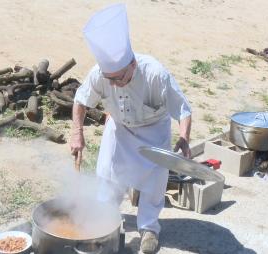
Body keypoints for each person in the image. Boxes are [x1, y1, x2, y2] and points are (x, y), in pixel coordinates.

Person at [70, 3, 192, 254]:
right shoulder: (100, 74)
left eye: (119, 78)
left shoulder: (156, 74)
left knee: (154, 182)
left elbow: (183, 109)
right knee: (107, 176)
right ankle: (106, 223)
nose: (113, 84)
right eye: (109, 79)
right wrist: (77, 133)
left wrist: (184, 137)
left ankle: (149, 229)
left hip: (153, 130)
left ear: (133, 65)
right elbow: (80, 100)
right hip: (118, 128)